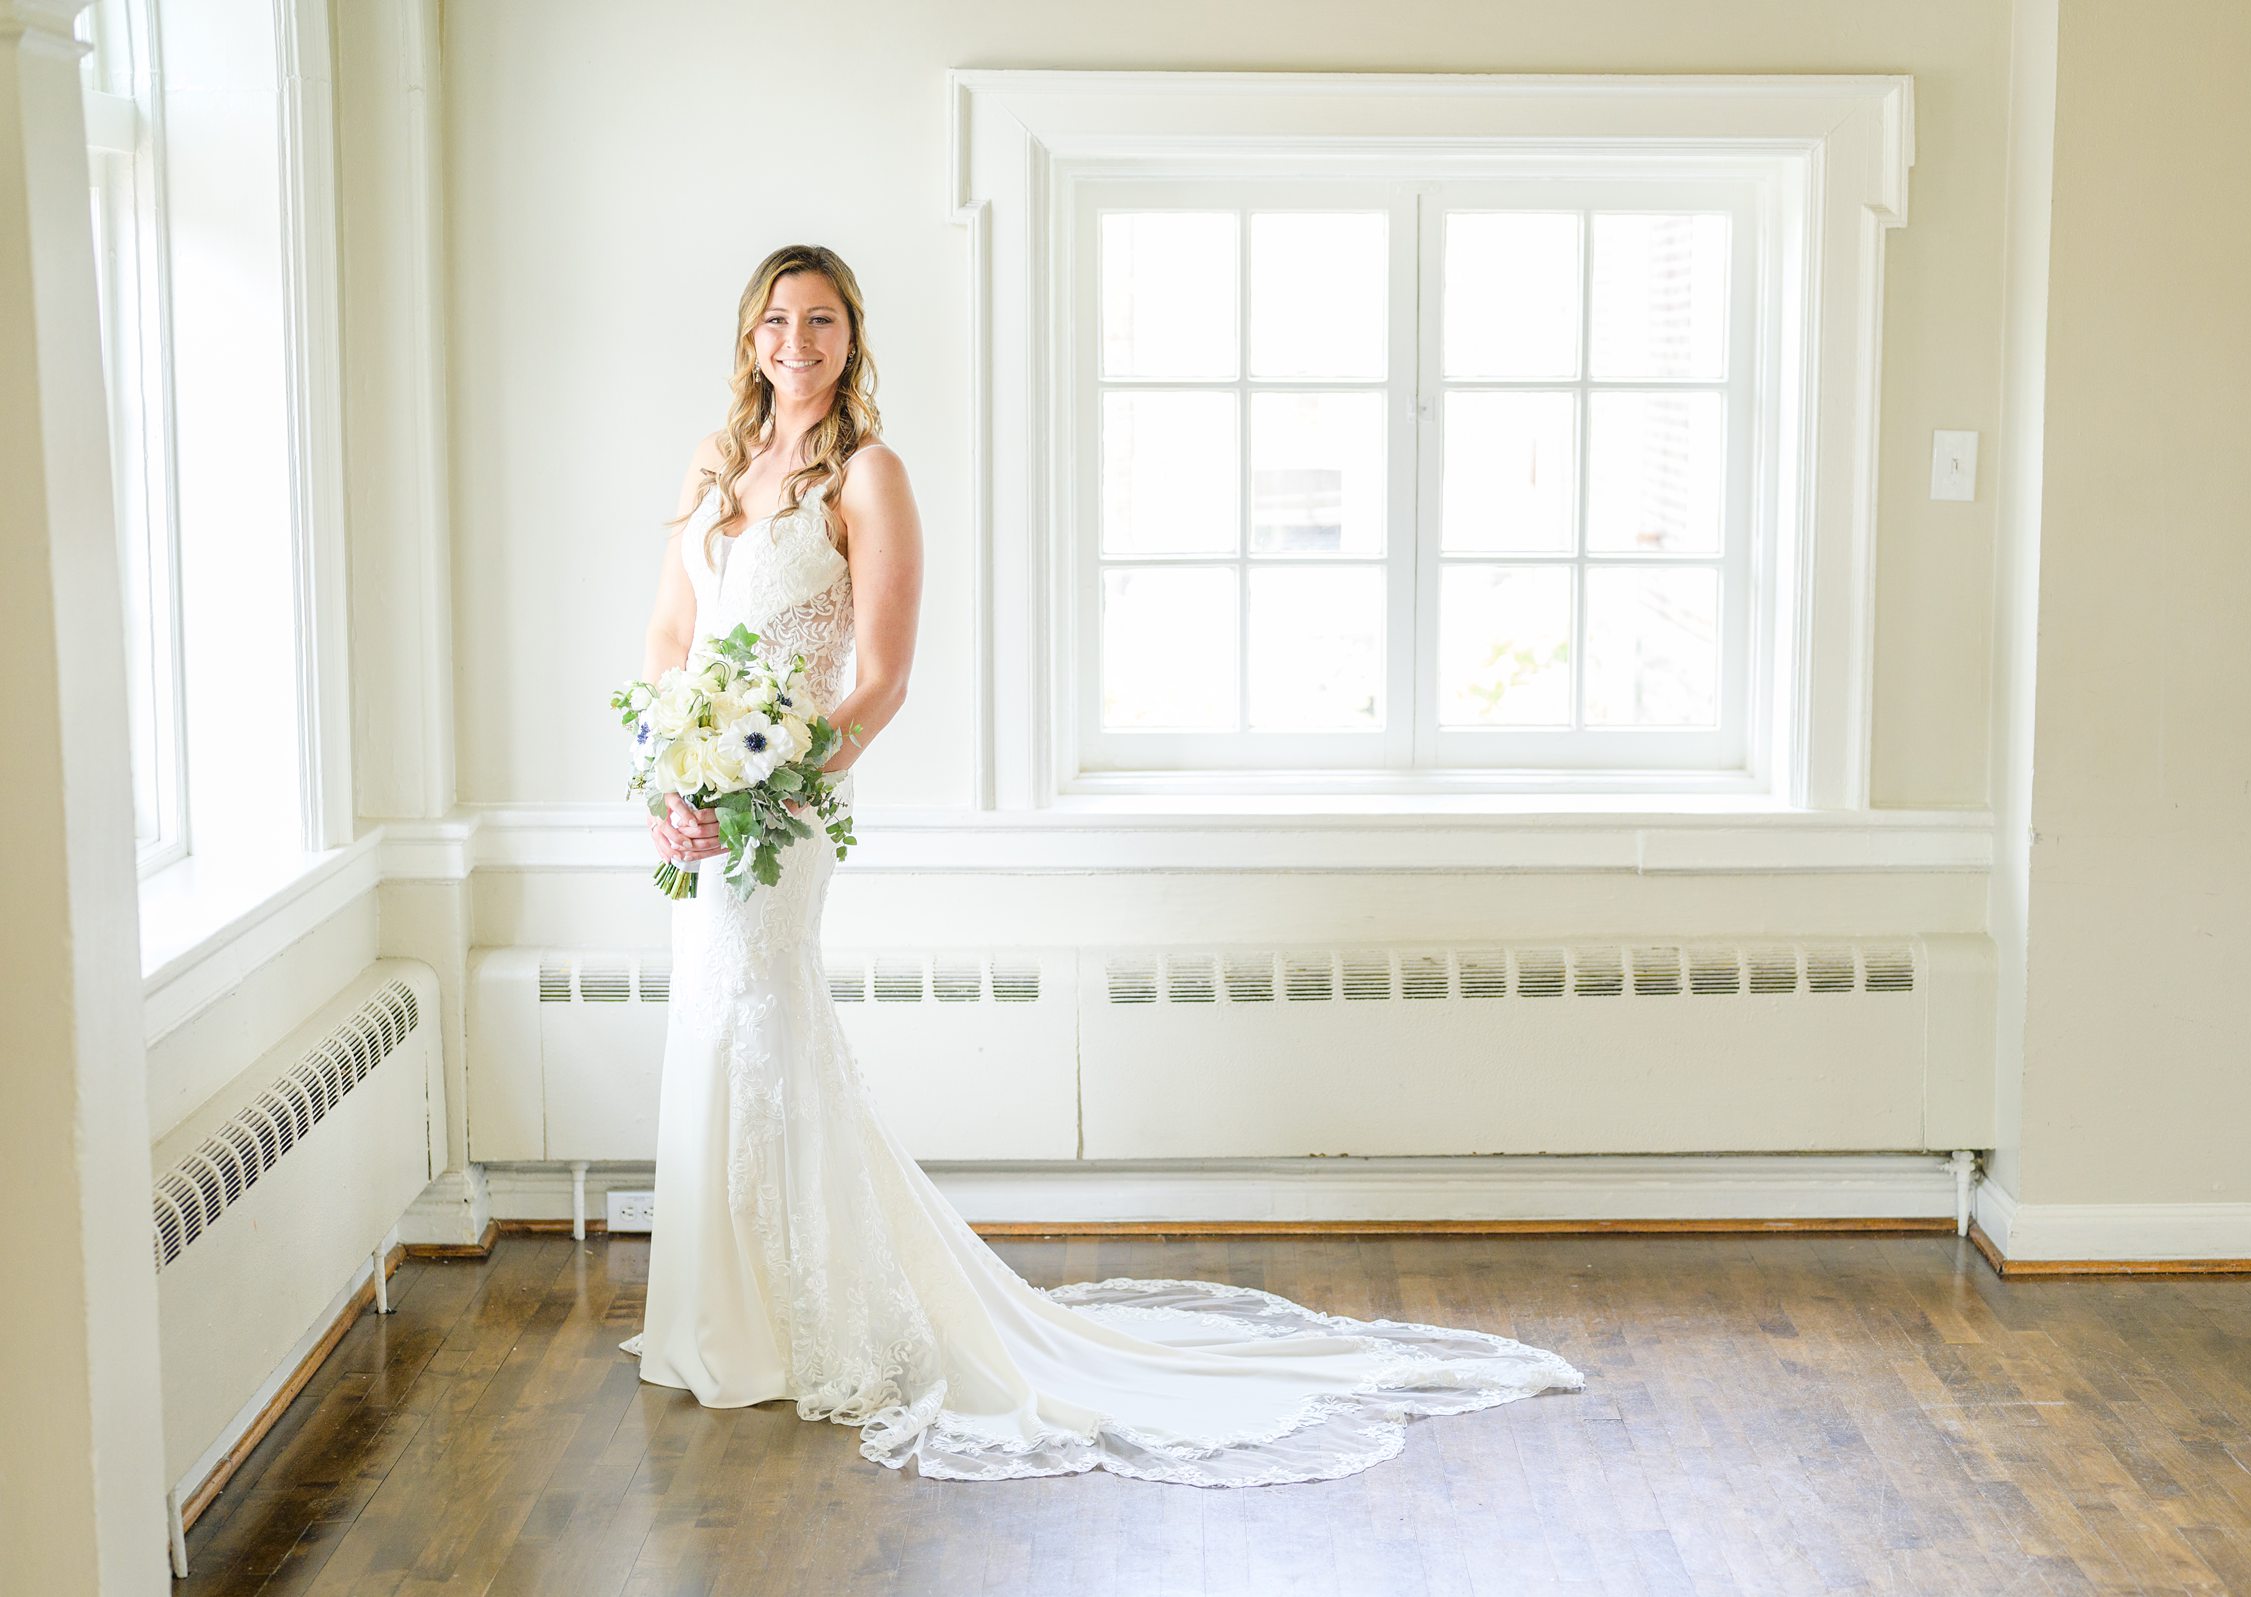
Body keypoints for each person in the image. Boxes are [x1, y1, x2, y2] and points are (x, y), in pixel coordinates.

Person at [621, 243, 1586, 1485]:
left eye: (820, 320)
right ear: (749, 336)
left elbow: (884, 675)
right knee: (713, 1019)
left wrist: (781, 777)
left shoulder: (869, 475)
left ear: (850, 339)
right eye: (774, 320)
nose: (795, 341)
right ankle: (723, 1312)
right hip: (706, 792)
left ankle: (809, 1319)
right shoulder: (714, 468)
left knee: (765, 1014)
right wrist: (672, 778)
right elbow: (666, 636)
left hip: (790, 798)